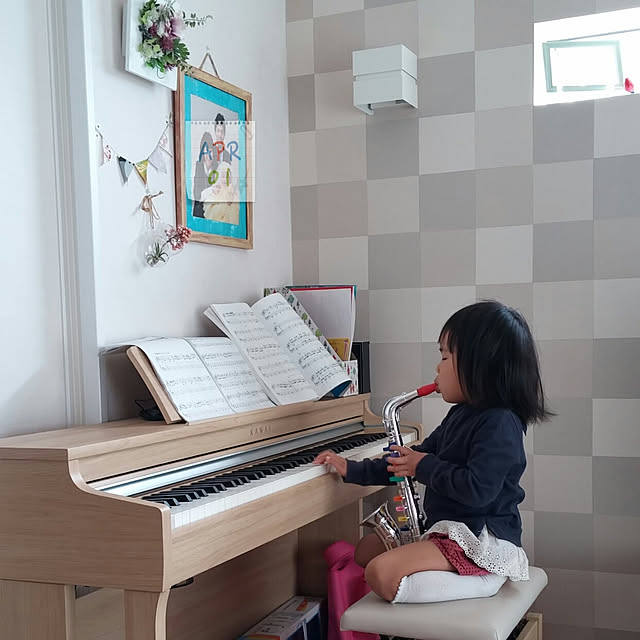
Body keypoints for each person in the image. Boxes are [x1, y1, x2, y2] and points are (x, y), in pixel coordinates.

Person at [313, 301, 551, 604]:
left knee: (380, 574)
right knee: (364, 552)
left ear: (480, 365)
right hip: (448, 532)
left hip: (480, 540)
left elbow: (478, 489)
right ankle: (449, 575)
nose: (438, 367)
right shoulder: (460, 415)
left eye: (445, 356)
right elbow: (407, 461)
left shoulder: (501, 423)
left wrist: (423, 466)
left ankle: (483, 579)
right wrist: (351, 469)